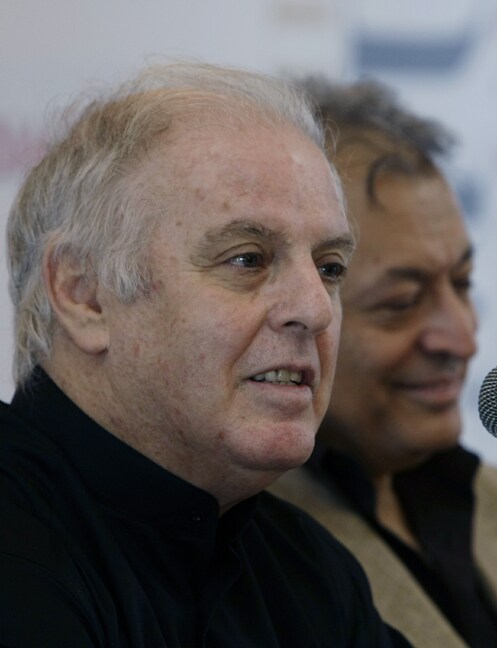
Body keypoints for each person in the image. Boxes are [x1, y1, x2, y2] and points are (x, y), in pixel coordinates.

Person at [0, 62, 410, 647]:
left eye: (330, 268)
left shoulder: (309, 570)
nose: (315, 309)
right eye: (248, 259)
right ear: (83, 294)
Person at [270, 79, 497, 647]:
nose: (463, 339)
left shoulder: (486, 496)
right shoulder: (247, 547)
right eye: (402, 302)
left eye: (463, 283)